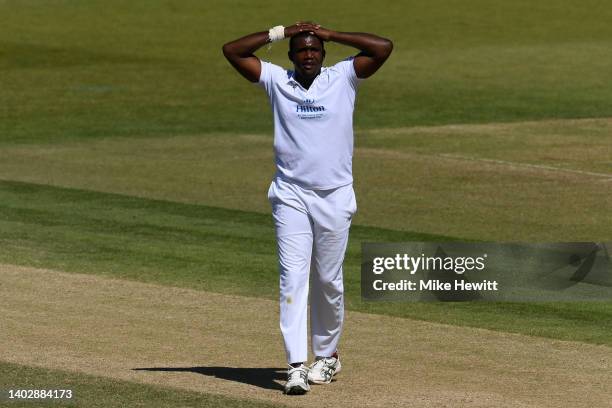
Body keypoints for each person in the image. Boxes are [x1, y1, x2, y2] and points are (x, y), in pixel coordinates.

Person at [222, 22, 392, 395]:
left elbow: (383, 47)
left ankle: (327, 356)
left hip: (334, 195)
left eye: (315, 49)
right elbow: (232, 50)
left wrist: (332, 33)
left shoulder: (343, 77)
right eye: (302, 50)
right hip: (290, 196)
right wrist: (280, 31)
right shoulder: (276, 81)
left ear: (324, 53)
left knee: (328, 280)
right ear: (291, 56)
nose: (309, 55)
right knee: (292, 279)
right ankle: (296, 365)